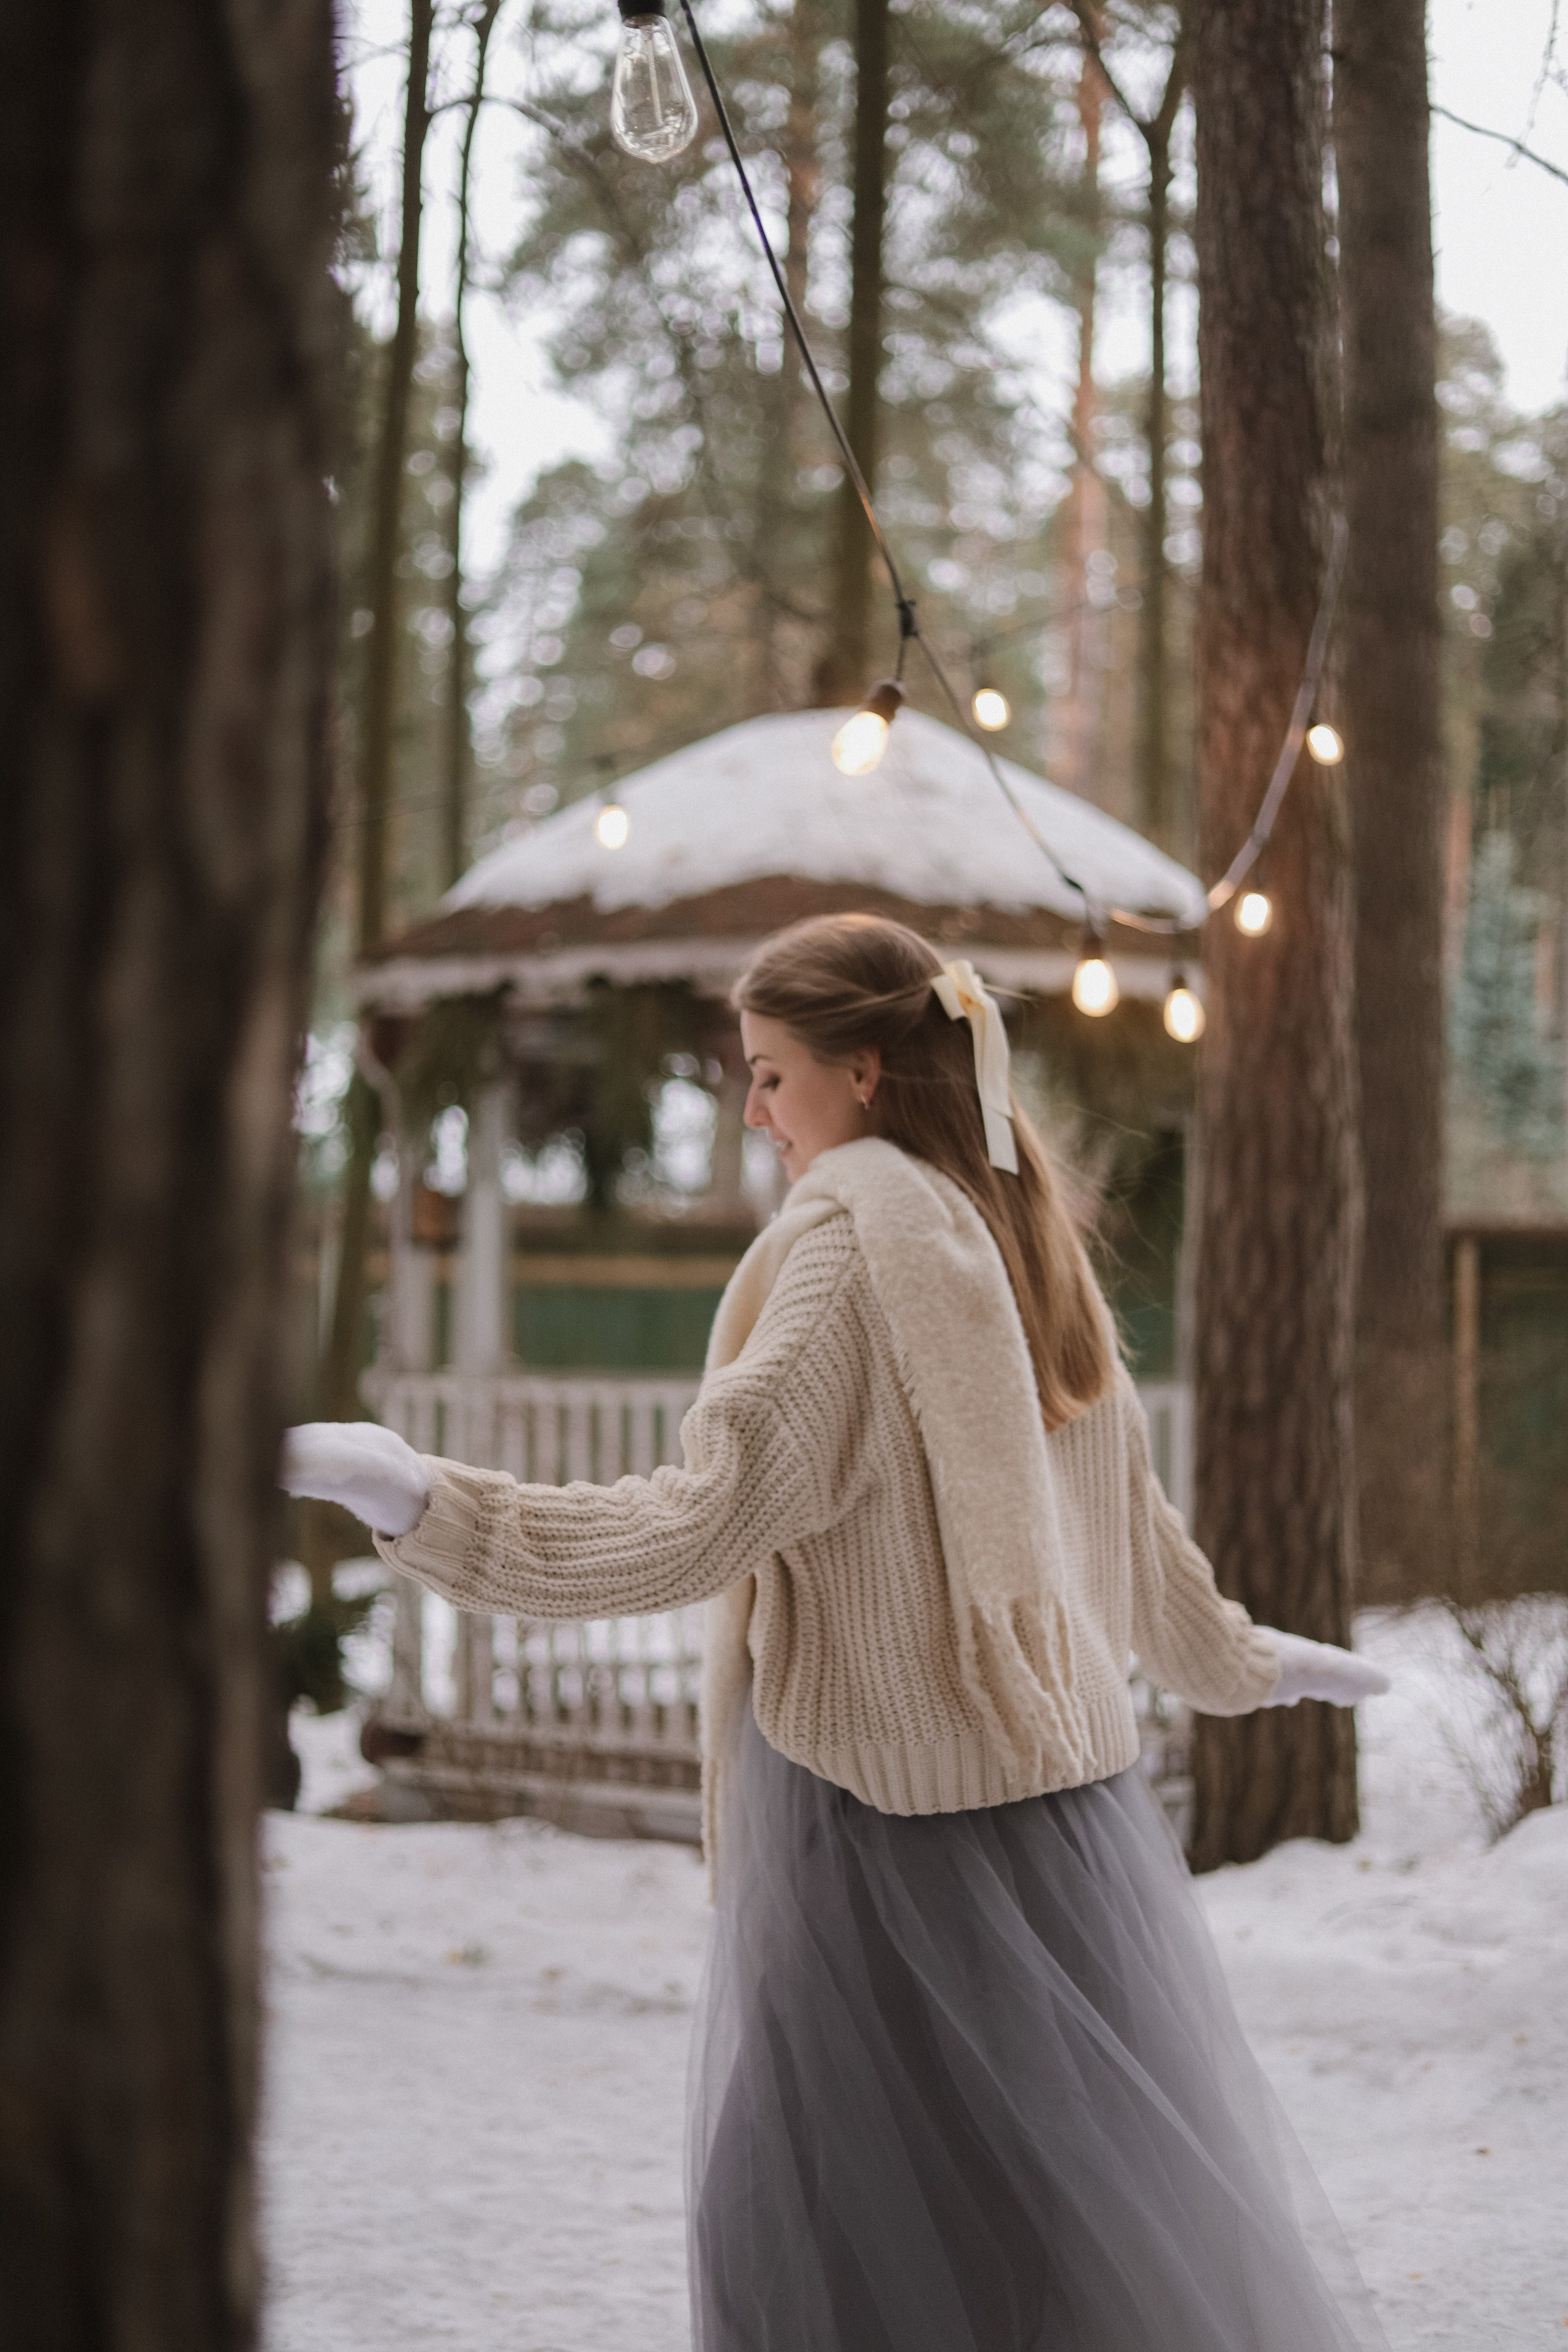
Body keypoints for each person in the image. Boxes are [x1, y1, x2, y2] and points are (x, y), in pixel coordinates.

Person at [284, 913, 1392, 2352]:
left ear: (865, 1073)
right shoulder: (1015, 1230)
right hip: (1051, 1830)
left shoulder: (848, 1258)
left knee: (813, 2229)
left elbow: (694, 1526)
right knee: (1042, 2227)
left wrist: (422, 1497)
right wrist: (1237, 1660)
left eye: (768, 1076)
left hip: (871, 1821)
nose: (750, 1112)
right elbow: (1124, 1536)